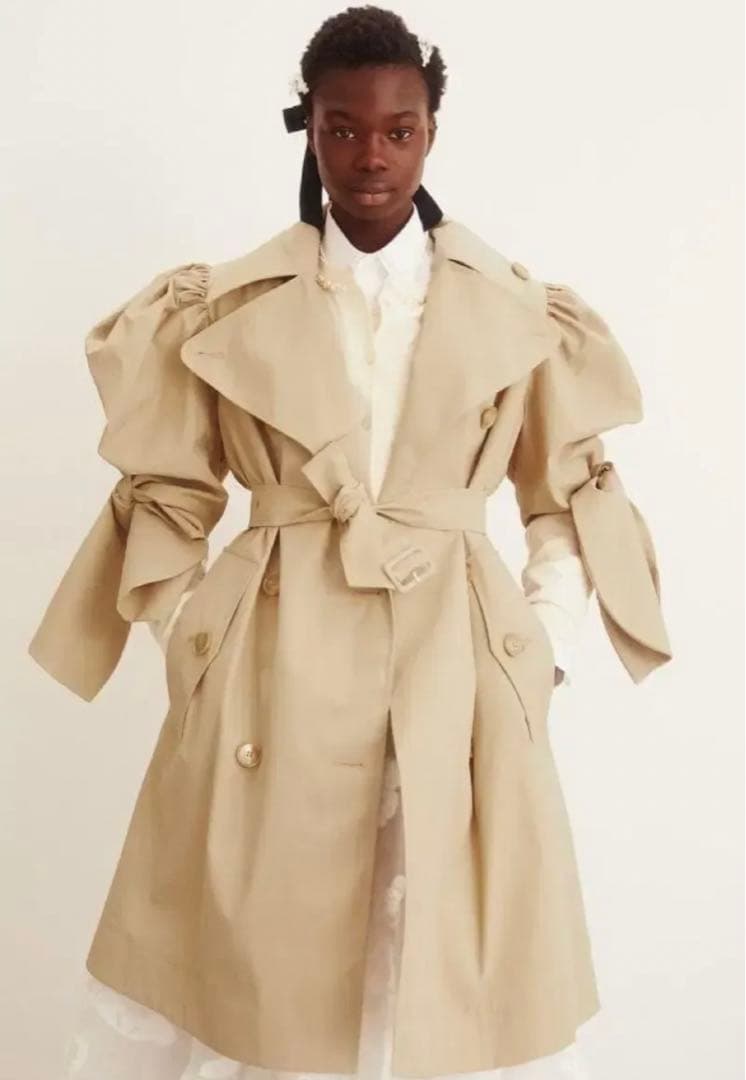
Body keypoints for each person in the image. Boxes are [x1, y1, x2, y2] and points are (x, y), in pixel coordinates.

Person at [29, 6, 672, 1079]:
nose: (371, 156)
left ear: (430, 134)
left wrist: (540, 649)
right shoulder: (223, 306)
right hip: (272, 670)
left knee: (440, 966)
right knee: (258, 972)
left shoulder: (516, 310)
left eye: (397, 130)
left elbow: (565, 499)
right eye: (342, 128)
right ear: (310, 130)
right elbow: (166, 496)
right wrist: (197, 637)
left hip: (454, 663)